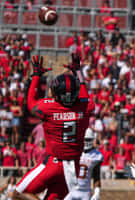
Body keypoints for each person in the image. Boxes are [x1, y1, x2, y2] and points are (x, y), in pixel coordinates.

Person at [12, 54, 95, 200]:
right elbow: (84, 94)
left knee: (16, 194)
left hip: (54, 164)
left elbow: (30, 101)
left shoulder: (48, 108)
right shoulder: (85, 107)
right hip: (73, 167)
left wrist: (36, 76)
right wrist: (79, 72)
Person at [65, 128, 103, 200]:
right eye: (84, 139)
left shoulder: (96, 156)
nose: (85, 142)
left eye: (88, 140)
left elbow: (96, 177)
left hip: (85, 192)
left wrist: (97, 192)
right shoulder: (73, 151)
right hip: (71, 190)